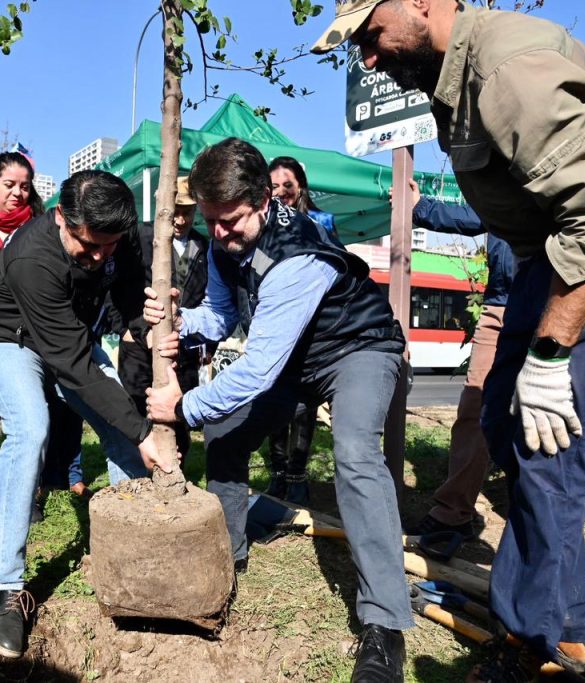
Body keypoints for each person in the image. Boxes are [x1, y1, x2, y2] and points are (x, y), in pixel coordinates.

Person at [312, 2, 585, 679]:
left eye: (372, 35)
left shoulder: (507, 69)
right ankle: (571, 638)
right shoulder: (449, 86)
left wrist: (548, 358)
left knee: (550, 454)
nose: (367, 58)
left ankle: (536, 638)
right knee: (503, 429)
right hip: (549, 257)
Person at [144, 138, 411, 682]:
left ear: (265, 200)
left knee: (356, 455)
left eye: (232, 221)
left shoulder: (298, 253)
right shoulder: (224, 242)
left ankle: (384, 628)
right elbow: (220, 316)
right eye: (211, 222)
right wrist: (177, 316)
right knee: (227, 435)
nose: (219, 233)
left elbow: (259, 367)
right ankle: (228, 558)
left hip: (357, 347)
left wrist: (182, 405)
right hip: (296, 359)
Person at [0, 169, 167, 659]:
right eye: (87, 244)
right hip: (4, 335)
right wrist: (145, 431)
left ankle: (134, 545)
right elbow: (73, 366)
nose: (99, 255)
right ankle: (4, 587)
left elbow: (127, 291)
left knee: (121, 427)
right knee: (31, 428)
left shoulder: (120, 235)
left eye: (109, 245)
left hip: (67, 334)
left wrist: (143, 324)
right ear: (60, 217)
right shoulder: (34, 258)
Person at [0, 151, 89, 522]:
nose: (16, 192)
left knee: (36, 415)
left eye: (24, 186)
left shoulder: (40, 227)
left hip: (34, 337)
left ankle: (30, 491)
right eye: (9, 184)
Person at [392, 178, 514, 540]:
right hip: (500, 305)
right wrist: (420, 207)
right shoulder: (502, 180)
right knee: (473, 409)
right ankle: (453, 513)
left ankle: (539, 510)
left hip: (550, 302)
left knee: (542, 412)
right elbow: (469, 216)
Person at [105, 176, 211, 459]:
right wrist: (123, 329)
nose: (180, 218)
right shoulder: (140, 237)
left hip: (183, 348)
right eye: (175, 210)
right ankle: (136, 478)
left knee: (180, 414)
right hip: (139, 346)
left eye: (187, 211)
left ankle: (176, 476)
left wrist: (205, 345)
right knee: (138, 412)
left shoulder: (204, 246)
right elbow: (114, 285)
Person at [264, 156, 336, 505]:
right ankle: (277, 472)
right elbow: (255, 270)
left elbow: (336, 269)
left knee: (305, 406)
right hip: (275, 326)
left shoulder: (321, 221)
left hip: (311, 330)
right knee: (274, 400)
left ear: (300, 188)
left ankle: (297, 475)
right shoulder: (262, 226)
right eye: (273, 186)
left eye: (286, 186)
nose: (279, 193)